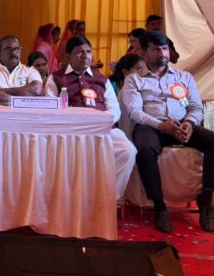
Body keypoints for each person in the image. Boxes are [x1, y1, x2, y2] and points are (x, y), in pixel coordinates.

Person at [120, 30, 213, 233]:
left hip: (181, 124)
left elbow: (196, 107)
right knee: (144, 149)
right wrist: (161, 125)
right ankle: (160, 207)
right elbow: (135, 112)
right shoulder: (134, 80)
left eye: (164, 48)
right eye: (156, 49)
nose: (162, 53)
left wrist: (189, 123)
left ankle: (206, 201)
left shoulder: (184, 77)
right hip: (151, 126)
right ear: (144, 53)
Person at [45, 36, 137, 201]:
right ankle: (73, 198)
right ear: (68, 56)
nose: (86, 55)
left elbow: (114, 109)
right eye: (79, 52)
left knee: (127, 150)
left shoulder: (101, 79)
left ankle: (106, 198)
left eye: (88, 51)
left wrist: (100, 123)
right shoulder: (56, 78)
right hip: (71, 131)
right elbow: (51, 108)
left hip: (103, 129)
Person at [0, 35, 42, 104]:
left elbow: (35, 90)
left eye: (17, 49)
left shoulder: (30, 71)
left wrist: (4, 91)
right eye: (8, 49)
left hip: (21, 111)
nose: (13, 52)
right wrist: (16, 101)